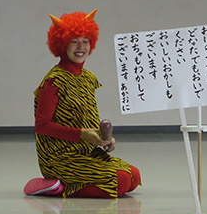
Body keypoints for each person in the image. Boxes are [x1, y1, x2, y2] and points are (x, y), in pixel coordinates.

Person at [23, 10, 141, 198]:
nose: (81, 47)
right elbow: (42, 126)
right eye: (74, 41)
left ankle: (62, 184)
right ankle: (56, 186)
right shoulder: (54, 81)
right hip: (60, 158)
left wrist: (104, 139)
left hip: (86, 152)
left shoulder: (88, 78)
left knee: (134, 176)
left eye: (85, 41)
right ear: (62, 44)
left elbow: (86, 119)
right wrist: (82, 134)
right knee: (121, 181)